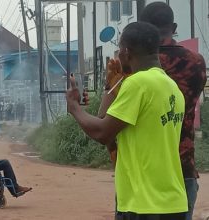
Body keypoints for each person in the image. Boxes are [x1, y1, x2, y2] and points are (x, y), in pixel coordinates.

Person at [66, 22, 188, 219]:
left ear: (125, 52)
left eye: (118, 51)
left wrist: (74, 107)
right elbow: (107, 124)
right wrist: (110, 86)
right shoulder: (171, 87)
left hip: (143, 205)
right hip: (174, 204)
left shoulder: (138, 84)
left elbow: (102, 133)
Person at [140, 3, 207, 219]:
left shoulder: (137, 65)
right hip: (183, 165)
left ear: (142, 29)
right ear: (174, 27)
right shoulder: (196, 62)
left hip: (144, 171)